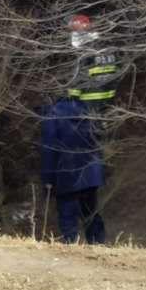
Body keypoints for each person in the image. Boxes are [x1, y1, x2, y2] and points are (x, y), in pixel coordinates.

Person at [40, 96, 106, 245]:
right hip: (90, 173)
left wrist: (48, 179)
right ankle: (99, 246)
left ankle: (72, 248)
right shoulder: (87, 111)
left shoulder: (53, 115)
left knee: (67, 215)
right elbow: (97, 141)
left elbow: (49, 150)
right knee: (90, 212)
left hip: (66, 173)